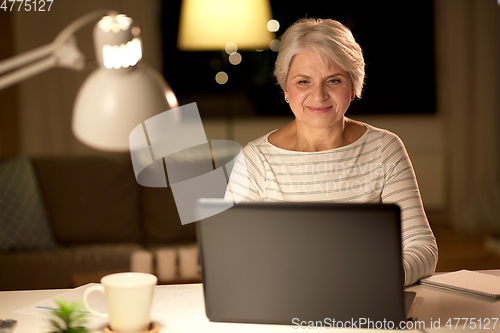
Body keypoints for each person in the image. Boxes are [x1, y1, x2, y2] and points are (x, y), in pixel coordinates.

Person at [226, 18, 438, 286]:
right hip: (284, 303)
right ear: (286, 90)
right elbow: (233, 255)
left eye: (333, 80)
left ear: (353, 87)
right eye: (303, 81)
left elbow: (422, 247)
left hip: (368, 298)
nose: (318, 95)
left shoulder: (385, 149)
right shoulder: (254, 159)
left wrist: (380, 280)